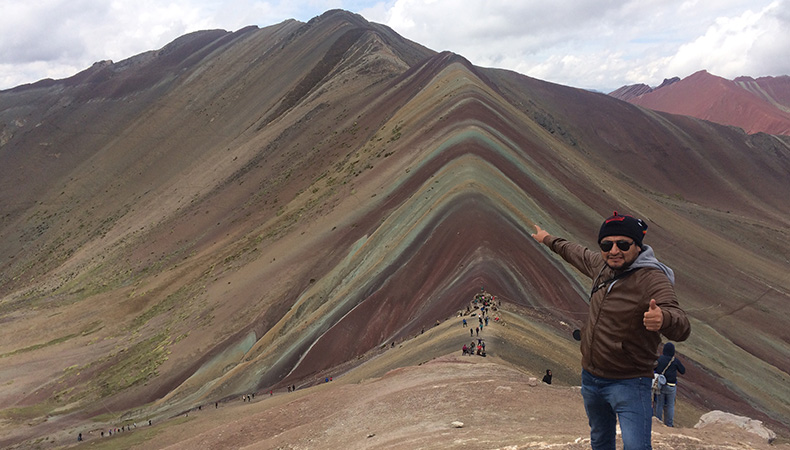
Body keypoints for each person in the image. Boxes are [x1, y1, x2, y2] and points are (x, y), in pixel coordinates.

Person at [531, 211, 690, 450]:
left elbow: (682, 325)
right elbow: (574, 252)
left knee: (636, 447)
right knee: (600, 440)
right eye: (607, 245)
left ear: (638, 246)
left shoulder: (652, 279)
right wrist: (547, 239)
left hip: (630, 382)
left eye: (623, 244)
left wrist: (663, 318)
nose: (614, 250)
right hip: (591, 377)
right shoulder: (601, 266)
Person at [653, 342, 685, 427]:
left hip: (660, 386)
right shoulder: (674, 360)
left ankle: (657, 422)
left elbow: (654, 368)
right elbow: (683, 371)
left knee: (659, 404)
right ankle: (669, 424)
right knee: (670, 406)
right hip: (671, 386)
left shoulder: (660, 359)